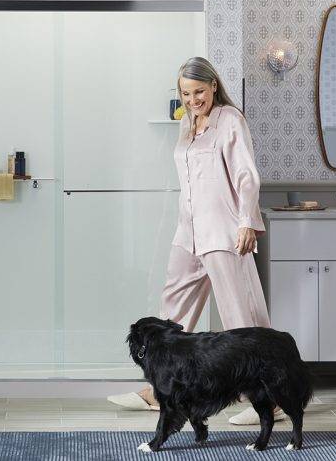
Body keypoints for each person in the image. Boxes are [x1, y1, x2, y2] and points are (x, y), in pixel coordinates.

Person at [107, 57, 284, 426]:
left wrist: (246, 222)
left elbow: (246, 176)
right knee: (172, 311)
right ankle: (160, 390)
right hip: (188, 232)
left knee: (242, 317)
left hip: (224, 231)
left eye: (198, 92)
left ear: (213, 86)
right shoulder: (186, 125)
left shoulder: (230, 121)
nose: (192, 100)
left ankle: (272, 399)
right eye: (185, 94)